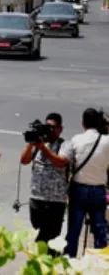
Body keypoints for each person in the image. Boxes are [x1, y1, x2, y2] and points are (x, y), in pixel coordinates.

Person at [55, 108, 109, 258]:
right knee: (100, 231)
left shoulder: (76, 140)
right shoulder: (107, 141)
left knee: (73, 231)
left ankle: (69, 263)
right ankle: (100, 266)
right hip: (98, 191)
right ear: (99, 123)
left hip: (79, 189)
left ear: (82, 124)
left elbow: (67, 162)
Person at [18, 113, 68, 252]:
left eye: (52, 127)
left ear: (60, 129)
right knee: (39, 237)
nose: (49, 131)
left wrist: (43, 148)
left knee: (52, 240)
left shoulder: (64, 145)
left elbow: (61, 162)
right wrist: (31, 141)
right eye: (47, 127)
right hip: (37, 199)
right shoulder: (38, 143)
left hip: (55, 202)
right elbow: (24, 160)